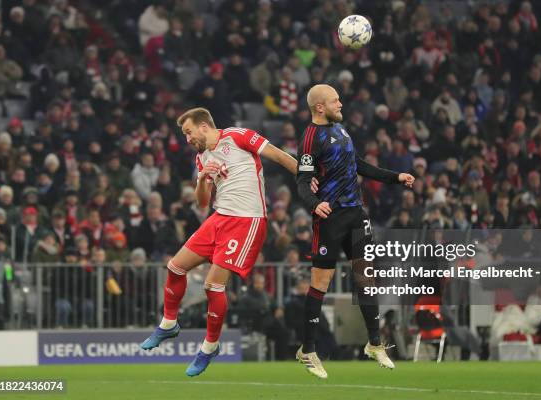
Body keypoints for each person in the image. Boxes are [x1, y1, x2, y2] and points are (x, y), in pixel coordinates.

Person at [140, 107, 298, 377]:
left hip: (246, 221)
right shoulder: (202, 158)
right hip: (218, 217)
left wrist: (308, 179)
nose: (187, 139)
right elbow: (202, 203)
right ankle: (168, 324)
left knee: (213, 287)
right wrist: (201, 180)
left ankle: (209, 346)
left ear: (203, 126)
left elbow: (279, 156)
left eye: (188, 132)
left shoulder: (238, 136)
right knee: (175, 267)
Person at [294, 84, 414, 378]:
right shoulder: (311, 138)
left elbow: (356, 164)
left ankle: (374, 343)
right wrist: (314, 203)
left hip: (356, 214)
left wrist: (394, 177)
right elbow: (302, 179)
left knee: (366, 276)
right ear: (319, 107)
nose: (341, 104)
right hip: (331, 218)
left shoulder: (342, 130)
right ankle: (307, 349)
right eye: (335, 101)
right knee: (321, 282)